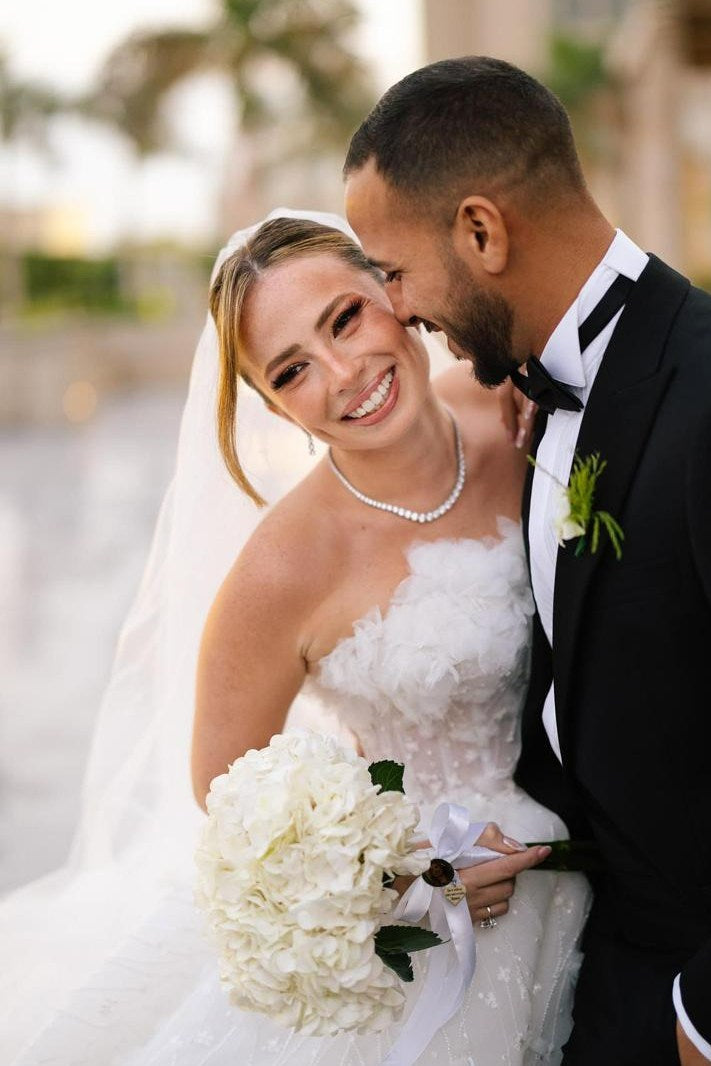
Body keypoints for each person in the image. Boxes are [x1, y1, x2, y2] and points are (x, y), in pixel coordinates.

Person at [1, 209, 589, 1066]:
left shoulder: (515, 408)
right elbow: (229, 806)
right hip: (463, 920)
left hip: (620, 858)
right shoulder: (281, 571)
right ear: (274, 405)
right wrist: (407, 879)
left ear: (392, 294)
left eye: (345, 318)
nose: (346, 373)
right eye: (292, 370)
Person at [343, 55, 711, 1066]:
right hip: (585, 959)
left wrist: (703, 1018)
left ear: (480, 231)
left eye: (396, 271)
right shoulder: (534, 399)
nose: (399, 309)